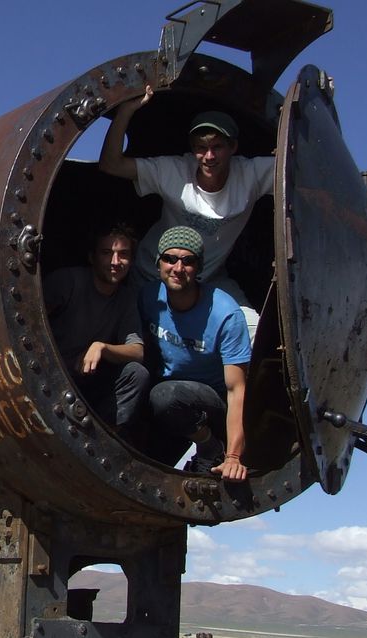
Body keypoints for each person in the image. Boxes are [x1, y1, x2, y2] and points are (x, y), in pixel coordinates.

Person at [98, 85, 274, 339]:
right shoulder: (174, 171)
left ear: (233, 147)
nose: (209, 156)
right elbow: (111, 164)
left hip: (209, 276)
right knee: (140, 337)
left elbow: (303, 167)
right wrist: (126, 112)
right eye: (201, 148)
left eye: (218, 147)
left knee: (252, 331)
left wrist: (317, 112)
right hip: (151, 273)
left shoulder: (252, 175)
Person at [139, 226, 250, 482]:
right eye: (170, 259)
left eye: (187, 261)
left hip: (210, 400)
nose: (178, 268)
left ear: (199, 267)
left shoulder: (226, 315)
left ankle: (211, 446)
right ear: (158, 263)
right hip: (168, 395)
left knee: (165, 396)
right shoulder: (148, 297)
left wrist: (234, 456)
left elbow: (237, 390)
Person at [44, 224, 150, 434]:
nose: (115, 262)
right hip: (50, 379)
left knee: (136, 374)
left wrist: (102, 347)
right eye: (106, 253)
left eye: (123, 254)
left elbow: (137, 352)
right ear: (92, 257)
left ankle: (106, 436)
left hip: (88, 382)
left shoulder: (126, 299)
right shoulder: (68, 282)